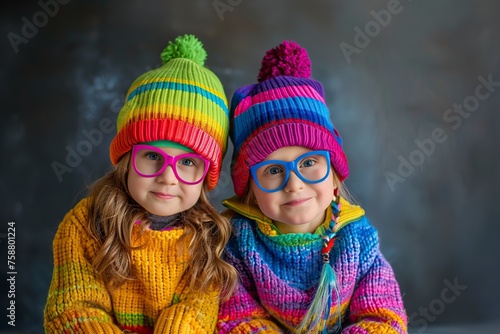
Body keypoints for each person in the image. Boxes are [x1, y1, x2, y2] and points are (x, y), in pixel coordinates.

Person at [44, 34, 237, 333]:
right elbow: (74, 309)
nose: (168, 177)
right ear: (125, 158)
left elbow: (198, 312)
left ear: (206, 176)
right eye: (151, 155)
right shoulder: (86, 225)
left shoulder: (210, 237)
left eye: (188, 162)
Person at [217, 40, 408, 333]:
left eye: (308, 163)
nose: (294, 184)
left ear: (334, 174)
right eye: (273, 170)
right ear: (251, 186)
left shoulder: (357, 240)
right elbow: (238, 320)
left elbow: (384, 318)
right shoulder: (239, 245)